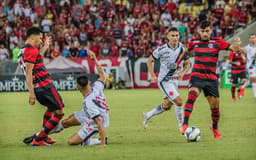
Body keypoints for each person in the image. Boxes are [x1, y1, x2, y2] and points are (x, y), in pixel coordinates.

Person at [177, 20, 242, 138]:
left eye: (207, 31)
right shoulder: (194, 42)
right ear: (199, 31)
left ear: (211, 30)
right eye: (202, 31)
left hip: (211, 79)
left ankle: (215, 128)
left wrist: (237, 45)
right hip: (196, 76)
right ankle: (184, 124)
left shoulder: (217, 42)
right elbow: (186, 52)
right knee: (192, 96)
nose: (205, 34)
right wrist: (178, 62)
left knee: (215, 108)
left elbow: (233, 48)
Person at [50, 49, 109, 146]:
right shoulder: (96, 87)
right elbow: (102, 75)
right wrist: (94, 60)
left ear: (78, 87)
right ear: (89, 83)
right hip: (92, 112)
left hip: (96, 120)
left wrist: (102, 144)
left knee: (72, 142)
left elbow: (99, 121)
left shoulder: (88, 102)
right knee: (67, 121)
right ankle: (44, 134)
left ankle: (97, 141)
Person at [18, 27, 64, 146]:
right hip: (44, 85)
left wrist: (45, 47)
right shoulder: (31, 50)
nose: (41, 40)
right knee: (59, 112)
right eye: (40, 37)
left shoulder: (24, 50)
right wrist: (31, 93)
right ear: (32, 37)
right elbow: (29, 72)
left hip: (40, 86)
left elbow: (37, 58)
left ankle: (44, 137)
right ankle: (39, 139)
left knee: (50, 109)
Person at [142, 27, 190, 130]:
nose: (175, 38)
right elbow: (149, 60)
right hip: (164, 81)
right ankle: (182, 127)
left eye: (177, 35)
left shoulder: (182, 49)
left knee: (167, 105)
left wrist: (183, 72)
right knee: (179, 101)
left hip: (175, 80)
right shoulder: (162, 49)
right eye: (172, 36)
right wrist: (153, 76)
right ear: (168, 37)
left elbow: (187, 64)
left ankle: (147, 115)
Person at [243, 34, 256, 100]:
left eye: (253, 38)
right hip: (250, 66)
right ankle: (255, 96)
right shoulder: (247, 47)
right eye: (251, 38)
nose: (252, 39)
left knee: (252, 80)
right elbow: (241, 52)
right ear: (249, 39)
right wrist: (244, 58)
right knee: (254, 79)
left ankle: (242, 87)